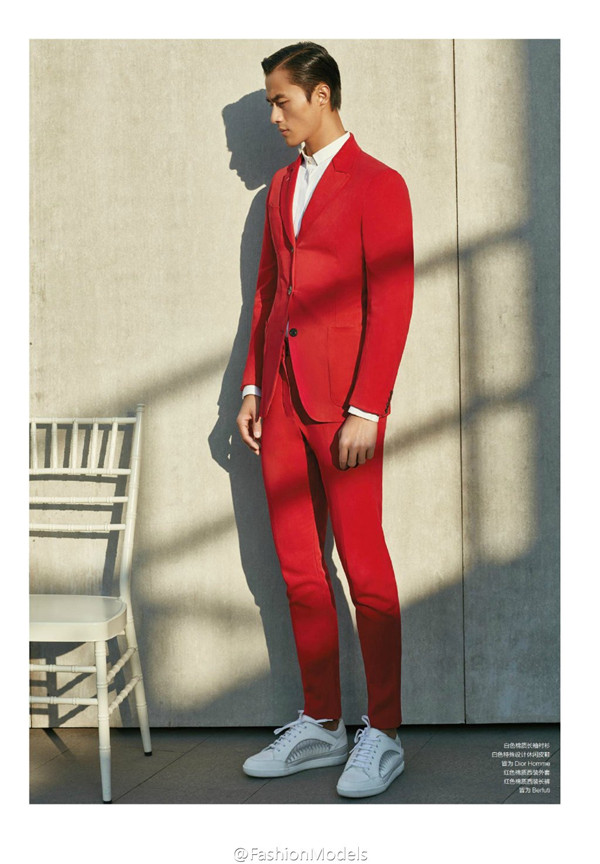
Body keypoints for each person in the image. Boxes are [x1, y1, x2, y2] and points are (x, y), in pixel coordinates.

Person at [236, 42, 414, 798]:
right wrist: (252, 386)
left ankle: (384, 731)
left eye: (281, 101)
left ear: (322, 95)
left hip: (346, 409)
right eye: (269, 104)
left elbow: (392, 299)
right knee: (299, 570)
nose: (274, 117)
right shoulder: (279, 187)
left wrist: (368, 407)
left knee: (365, 568)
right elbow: (267, 292)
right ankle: (320, 722)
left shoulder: (380, 183)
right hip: (280, 401)